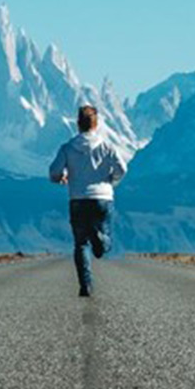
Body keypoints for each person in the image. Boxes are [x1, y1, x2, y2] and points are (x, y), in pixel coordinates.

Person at [48, 105, 127, 297]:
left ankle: (86, 285)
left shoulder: (67, 148)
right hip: (103, 198)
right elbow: (122, 169)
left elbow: (53, 172)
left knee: (81, 244)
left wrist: (62, 178)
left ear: (78, 124)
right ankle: (99, 238)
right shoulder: (107, 146)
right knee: (104, 245)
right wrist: (111, 180)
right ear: (96, 123)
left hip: (78, 199)